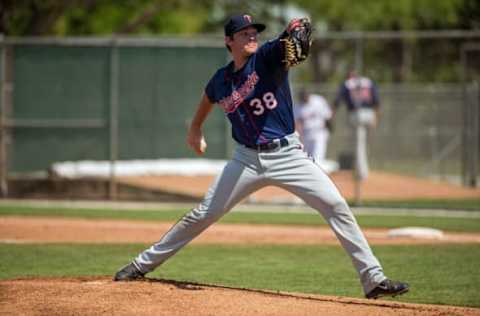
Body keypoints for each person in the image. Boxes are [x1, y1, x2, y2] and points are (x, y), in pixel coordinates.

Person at [113, 14, 408, 300]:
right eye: (244, 32)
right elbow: (208, 98)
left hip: (288, 154)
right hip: (246, 160)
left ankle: (373, 280)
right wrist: (194, 128)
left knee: (335, 204)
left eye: (254, 30)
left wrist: (293, 29)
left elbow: (287, 41)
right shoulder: (222, 79)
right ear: (229, 41)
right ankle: (142, 264)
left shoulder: (267, 56)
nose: (252, 34)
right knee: (204, 214)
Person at [331, 70, 380, 180]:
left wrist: (332, 115)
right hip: (370, 114)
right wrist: (376, 117)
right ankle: (363, 169)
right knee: (365, 143)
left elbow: (337, 101)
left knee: (359, 144)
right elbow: (376, 100)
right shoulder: (368, 81)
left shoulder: (347, 83)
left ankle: (362, 173)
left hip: (356, 114)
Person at [294, 89, 332, 163]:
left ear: (308, 95)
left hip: (319, 132)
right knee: (309, 158)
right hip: (306, 134)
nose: (305, 98)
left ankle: (319, 172)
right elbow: (298, 124)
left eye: (305, 96)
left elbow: (328, 116)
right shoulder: (298, 107)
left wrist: (329, 127)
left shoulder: (318, 101)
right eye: (302, 97)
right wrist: (299, 138)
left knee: (318, 157)